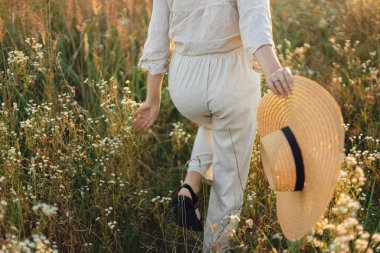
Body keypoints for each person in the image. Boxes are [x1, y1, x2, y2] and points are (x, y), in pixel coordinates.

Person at [133, 0, 293, 252]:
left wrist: (152, 99)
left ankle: (190, 186)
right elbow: (255, 24)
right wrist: (273, 70)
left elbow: (157, 36)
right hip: (231, 75)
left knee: (212, 124)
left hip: (185, 83)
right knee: (229, 176)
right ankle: (216, 248)